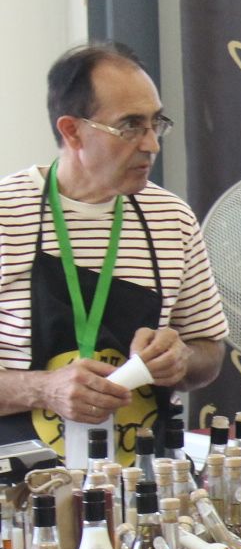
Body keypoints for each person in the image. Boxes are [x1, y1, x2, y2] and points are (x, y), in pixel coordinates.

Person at [0, 43, 227, 463]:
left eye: (156, 123)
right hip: (22, 493)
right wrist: (44, 388)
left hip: (144, 481)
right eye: (130, 126)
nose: (151, 145)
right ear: (71, 131)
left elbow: (208, 351)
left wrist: (181, 358)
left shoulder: (170, 219)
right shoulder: (8, 214)